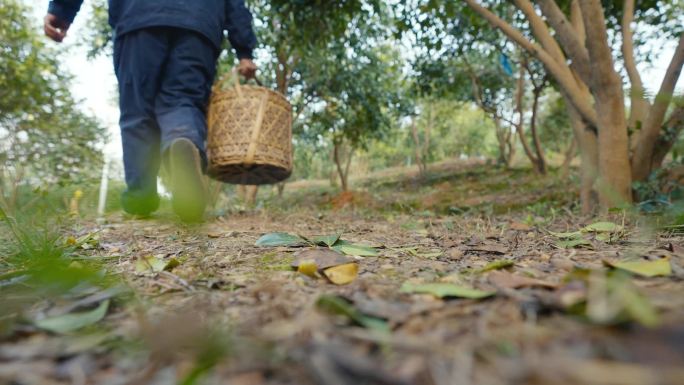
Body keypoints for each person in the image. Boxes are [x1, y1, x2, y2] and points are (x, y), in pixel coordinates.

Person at [44, 0, 258, 222]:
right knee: (183, 101)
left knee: (137, 110)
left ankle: (140, 198)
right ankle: (182, 140)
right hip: (198, 24)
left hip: (138, 17)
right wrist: (244, 50)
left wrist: (61, 11)